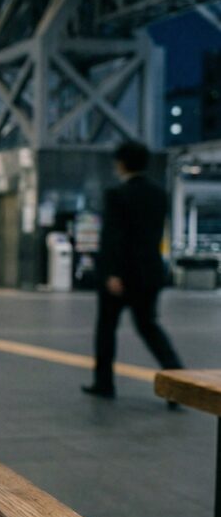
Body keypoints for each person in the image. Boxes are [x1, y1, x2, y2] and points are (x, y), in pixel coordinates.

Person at [83, 141, 184, 399]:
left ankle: (104, 383)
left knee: (106, 329)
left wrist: (111, 273)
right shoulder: (159, 194)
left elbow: (113, 237)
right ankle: (179, 381)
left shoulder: (117, 194)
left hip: (121, 276)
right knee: (149, 326)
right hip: (149, 272)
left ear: (121, 163)